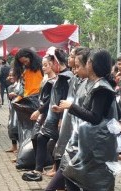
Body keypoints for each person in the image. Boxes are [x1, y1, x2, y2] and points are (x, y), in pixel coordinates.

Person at [60, 49, 121, 191]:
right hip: (91, 140)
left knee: (71, 173)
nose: (86, 64)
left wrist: (72, 107)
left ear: (94, 65)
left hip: (98, 142)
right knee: (91, 181)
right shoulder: (95, 84)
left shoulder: (102, 88)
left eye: (88, 62)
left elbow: (95, 117)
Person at [22, 48, 72, 182]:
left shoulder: (67, 77)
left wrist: (62, 118)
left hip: (60, 117)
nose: (46, 67)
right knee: (41, 139)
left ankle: (58, 174)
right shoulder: (58, 77)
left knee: (59, 146)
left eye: (48, 64)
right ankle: (39, 170)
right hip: (52, 115)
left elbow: (68, 99)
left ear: (55, 63)